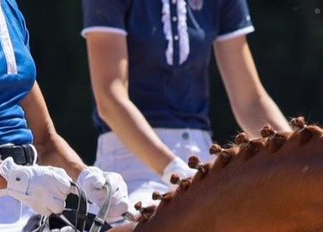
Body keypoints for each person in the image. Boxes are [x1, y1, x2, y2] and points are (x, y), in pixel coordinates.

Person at [0, 0, 129, 232]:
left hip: (33, 211)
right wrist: (15, 179)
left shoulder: (6, 8)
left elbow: (45, 141)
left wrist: (88, 179)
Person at [82, 0, 290, 209]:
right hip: (130, 163)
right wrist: (173, 170)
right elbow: (110, 98)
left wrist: (296, 154)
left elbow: (251, 102)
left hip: (200, 158)